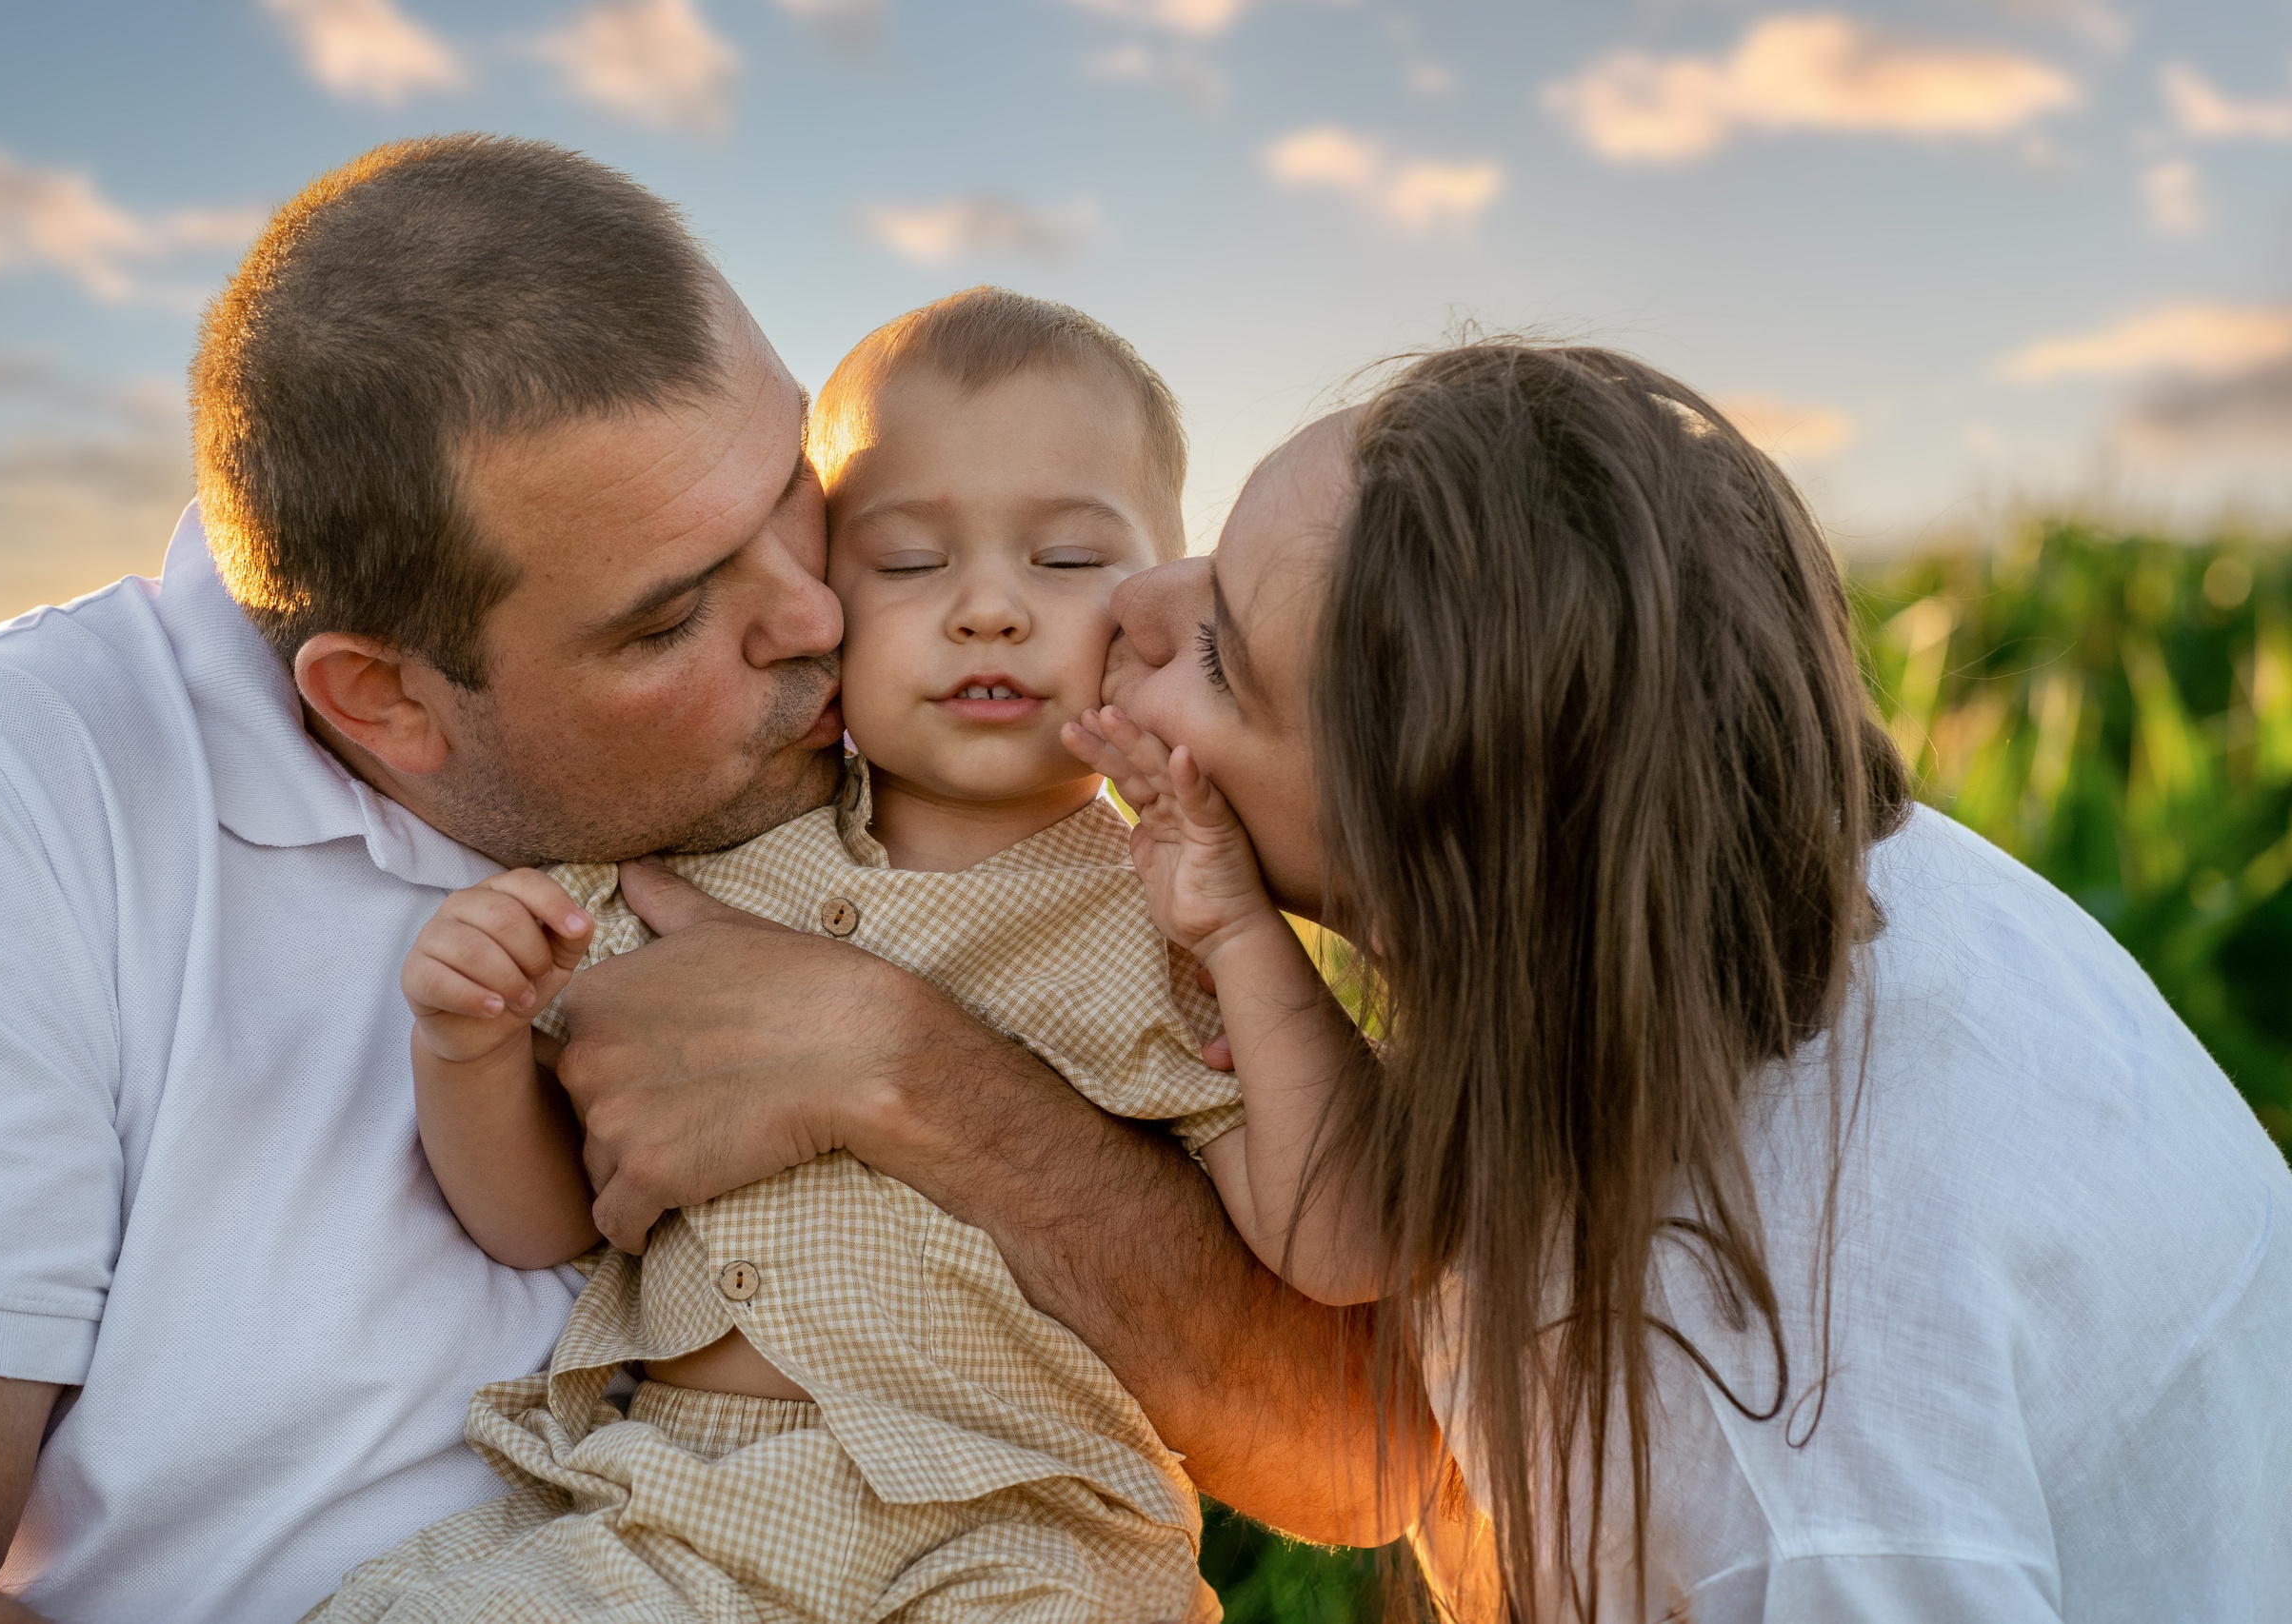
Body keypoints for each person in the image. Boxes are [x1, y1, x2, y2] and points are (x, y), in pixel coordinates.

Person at [0, 138, 1399, 1624]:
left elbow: (1373, 1456)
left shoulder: (1028, 825)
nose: (812, 620)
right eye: (672, 617)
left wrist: (906, 1071)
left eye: (794, 492)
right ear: (383, 699)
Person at [603, 342, 2292, 1622]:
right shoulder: (1772, 849)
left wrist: (904, 1068)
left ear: (1425, 872)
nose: (1126, 610)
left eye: (1221, 659)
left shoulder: (1761, 1446)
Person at [314, 287, 1239, 1622]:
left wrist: (1255, 954)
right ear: (824, 601)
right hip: (681, 1506)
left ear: (1159, 588)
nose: (987, 608)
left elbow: (1332, 1244)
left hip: (1027, 1523)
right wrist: (466, 1044)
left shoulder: (1179, 907)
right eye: (912, 563)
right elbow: (546, 1221)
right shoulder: (686, 875)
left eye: (1067, 559)